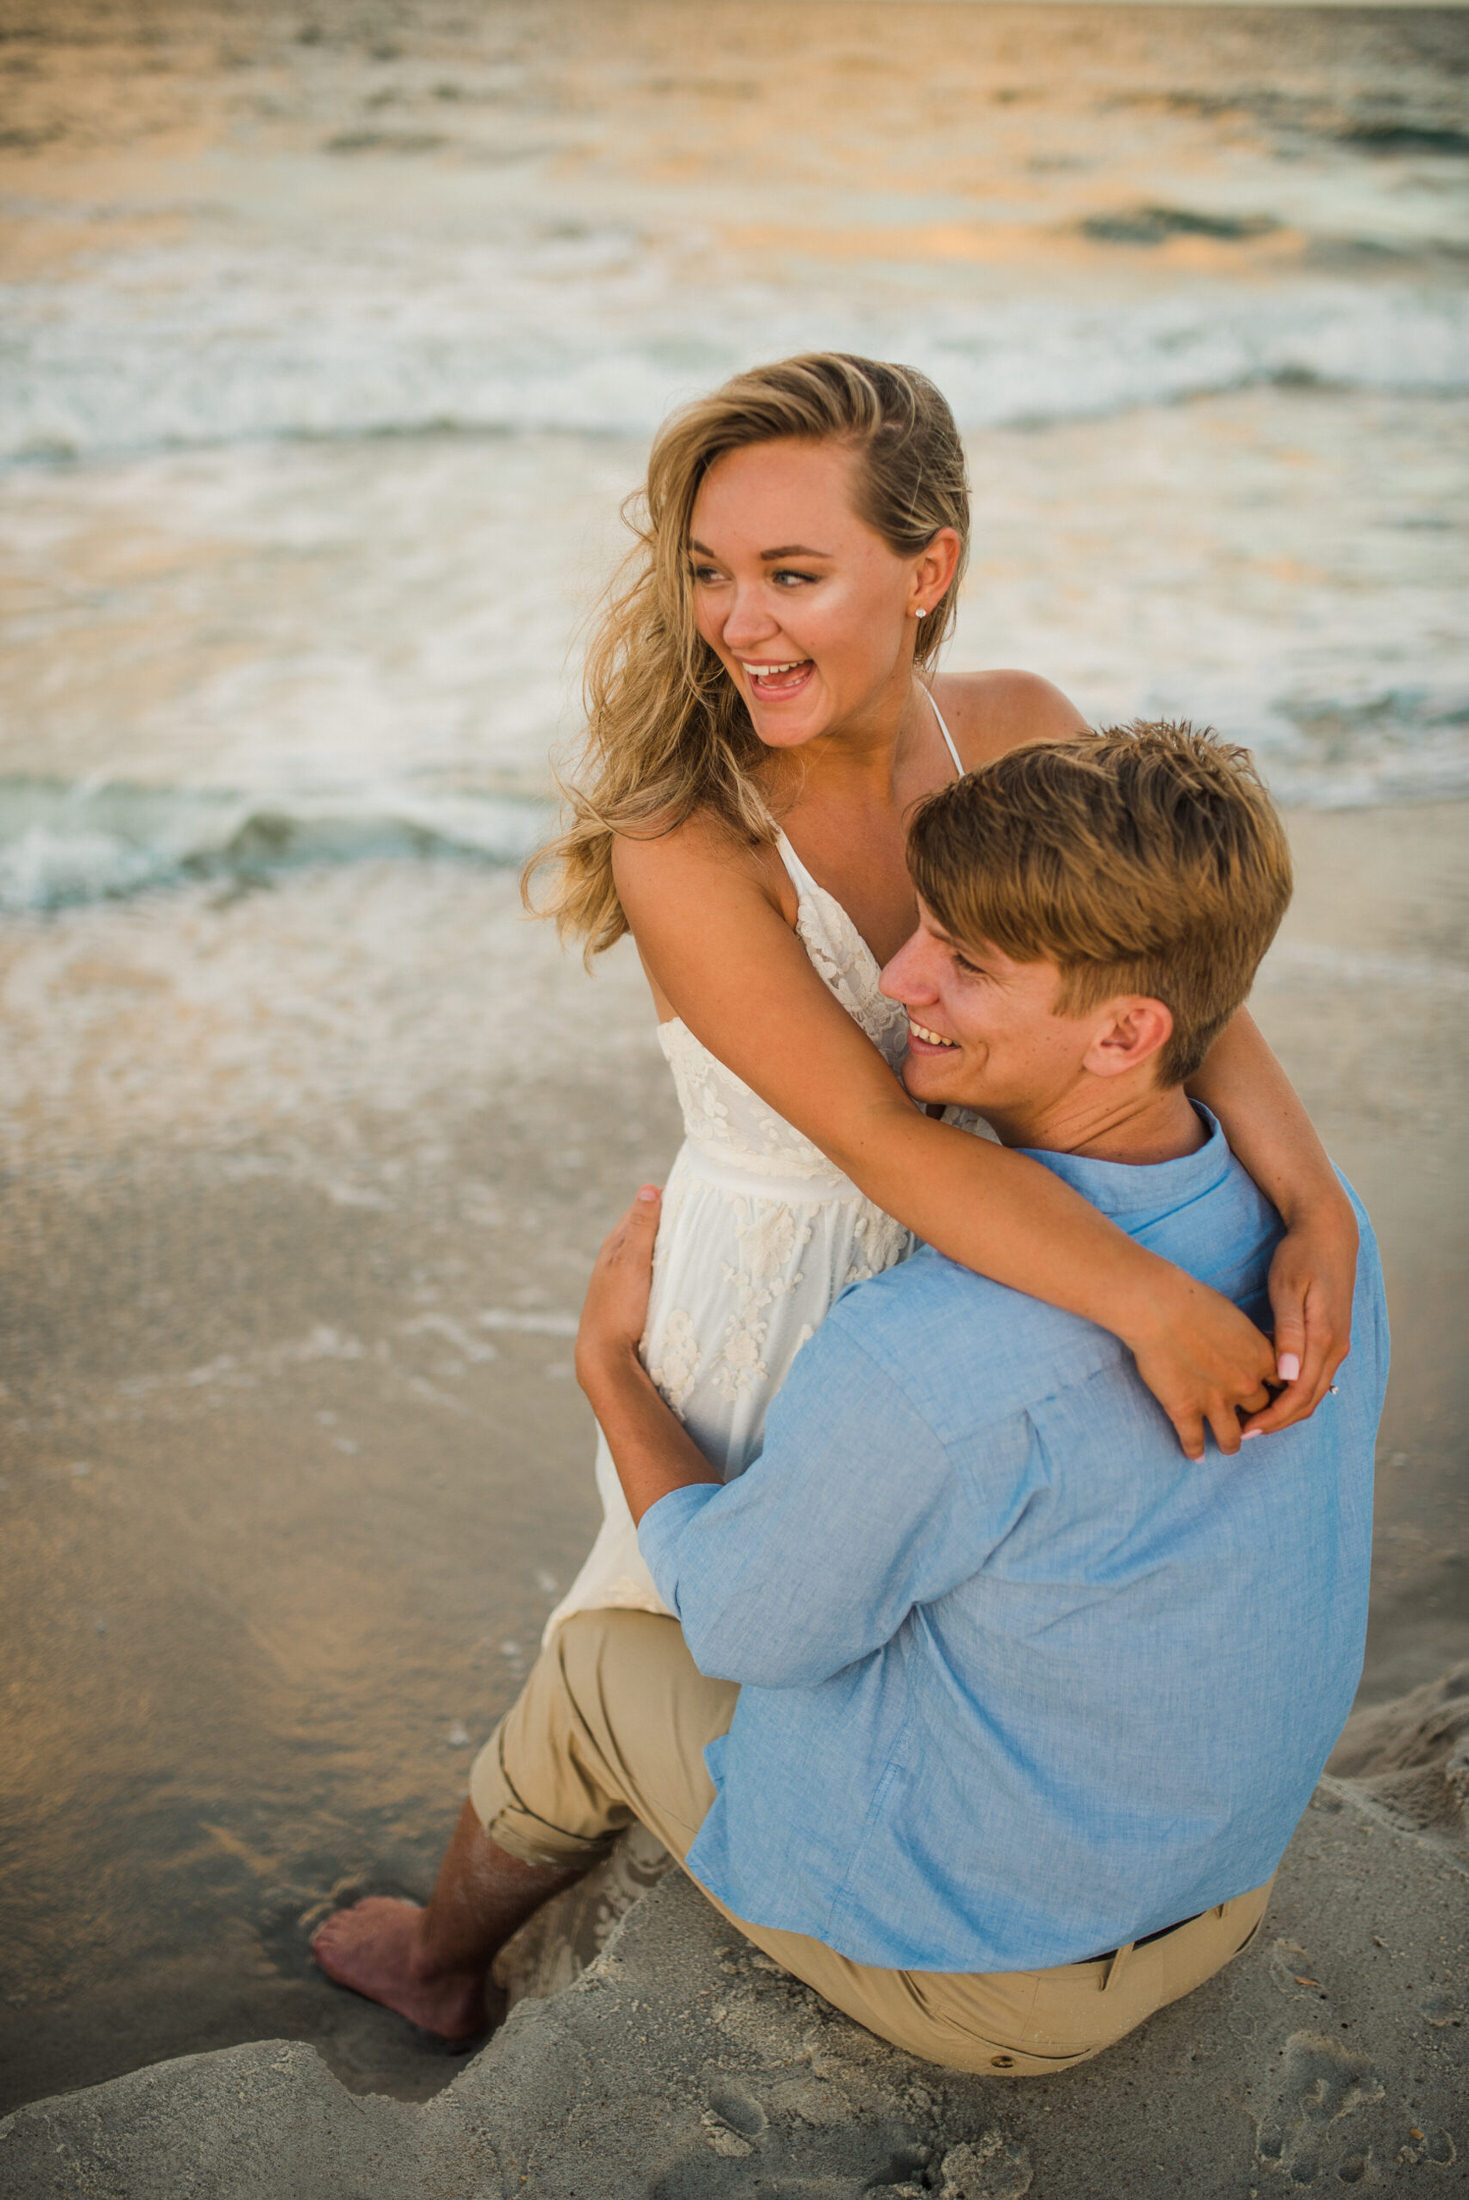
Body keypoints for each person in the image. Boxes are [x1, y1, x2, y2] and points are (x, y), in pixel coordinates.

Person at [311, 724, 1386, 2072]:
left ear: (1125, 1030)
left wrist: (610, 1373)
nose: (896, 980)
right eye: (918, 930)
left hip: (1010, 1983)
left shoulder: (927, 1354)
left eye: (964, 964)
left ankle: (430, 1966)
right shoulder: (1314, 1255)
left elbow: (748, 1630)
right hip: (1220, 1882)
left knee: (596, 1664)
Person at [530, 352, 1357, 1642]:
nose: (737, 622)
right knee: (682, 1637)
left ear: (928, 570)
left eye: (791, 575)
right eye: (709, 573)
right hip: (785, 1308)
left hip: (1008, 1280)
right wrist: (1150, 1299)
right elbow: (882, 1136)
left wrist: (1319, 1209)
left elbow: (1180, 991)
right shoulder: (690, 837)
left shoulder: (1021, 721)